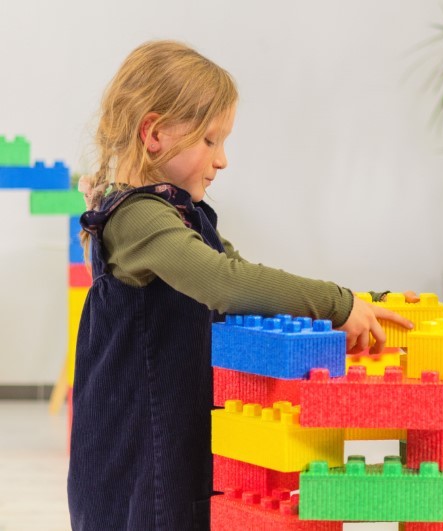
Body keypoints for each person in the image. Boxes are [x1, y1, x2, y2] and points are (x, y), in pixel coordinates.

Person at [68, 40, 413, 531]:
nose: (223, 159)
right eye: (210, 141)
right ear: (154, 132)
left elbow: (243, 275)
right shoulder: (138, 217)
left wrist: (352, 308)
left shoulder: (177, 213)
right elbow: (224, 284)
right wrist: (337, 304)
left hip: (180, 433)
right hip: (144, 446)